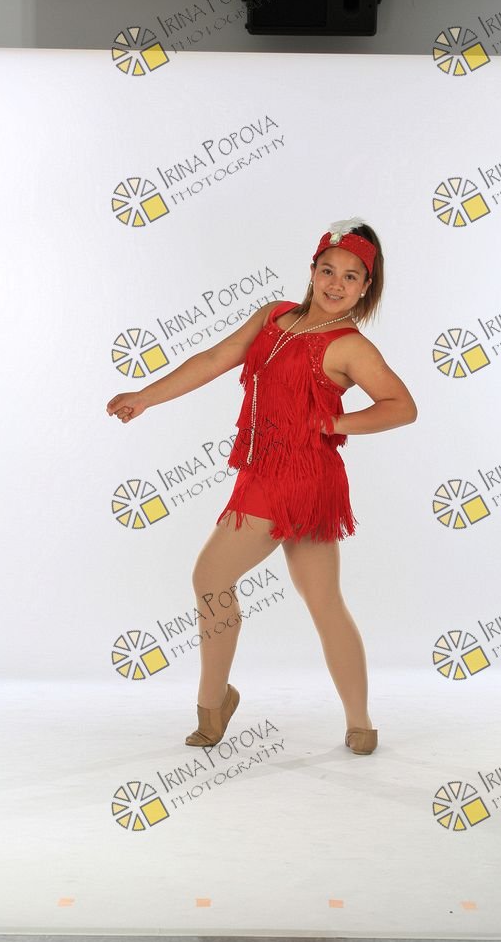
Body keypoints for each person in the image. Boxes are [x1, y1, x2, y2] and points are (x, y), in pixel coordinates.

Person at [106, 218, 417, 755]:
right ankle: (360, 724)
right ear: (312, 270)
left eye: (351, 277)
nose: (336, 284)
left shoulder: (351, 347)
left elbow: (402, 407)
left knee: (212, 576)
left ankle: (214, 703)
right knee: (323, 600)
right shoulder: (274, 317)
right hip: (265, 471)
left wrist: (334, 423)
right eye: (328, 270)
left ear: (367, 287)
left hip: (299, 479)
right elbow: (213, 360)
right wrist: (146, 396)